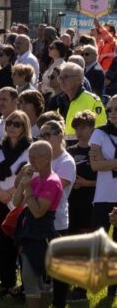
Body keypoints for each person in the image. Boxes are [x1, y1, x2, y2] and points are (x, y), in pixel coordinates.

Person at [12, 141, 63, 308]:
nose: (30, 162)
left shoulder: (52, 181)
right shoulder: (35, 179)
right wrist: (22, 183)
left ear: (47, 158)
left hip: (41, 236)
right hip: (30, 234)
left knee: (30, 277)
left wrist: (27, 189)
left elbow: (38, 212)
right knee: (34, 279)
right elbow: (16, 201)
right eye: (29, 157)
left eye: (34, 158)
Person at [0, 110, 31, 298]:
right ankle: (7, 283)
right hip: (0, 201)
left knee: (22, 246)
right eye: (9, 123)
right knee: (1, 244)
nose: (12, 127)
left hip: (21, 202)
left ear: (25, 127)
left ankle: (25, 287)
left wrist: (12, 193)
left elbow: (30, 173)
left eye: (17, 124)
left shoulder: (31, 148)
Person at [38, 120, 76, 307]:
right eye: (41, 135)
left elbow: (53, 189)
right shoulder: (42, 159)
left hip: (58, 220)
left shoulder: (66, 161)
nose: (43, 139)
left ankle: (59, 303)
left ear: (60, 136)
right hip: (39, 218)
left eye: (47, 135)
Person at [65, 110, 97, 302]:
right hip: (71, 203)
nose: (79, 131)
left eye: (83, 127)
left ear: (92, 128)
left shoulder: (97, 150)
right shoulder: (71, 151)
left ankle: (82, 288)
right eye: (77, 127)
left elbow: (107, 179)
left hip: (90, 203)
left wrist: (86, 184)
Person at [87, 94, 117, 296]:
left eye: (116, 110)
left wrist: (108, 161)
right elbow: (95, 165)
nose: (112, 113)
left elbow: (102, 162)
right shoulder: (99, 133)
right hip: (103, 196)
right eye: (110, 110)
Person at [55, 62, 107, 141]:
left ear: (78, 80)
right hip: (66, 148)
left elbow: (100, 130)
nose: (61, 80)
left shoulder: (93, 101)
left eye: (65, 77)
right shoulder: (62, 101)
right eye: (60, 77)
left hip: (84, 149)